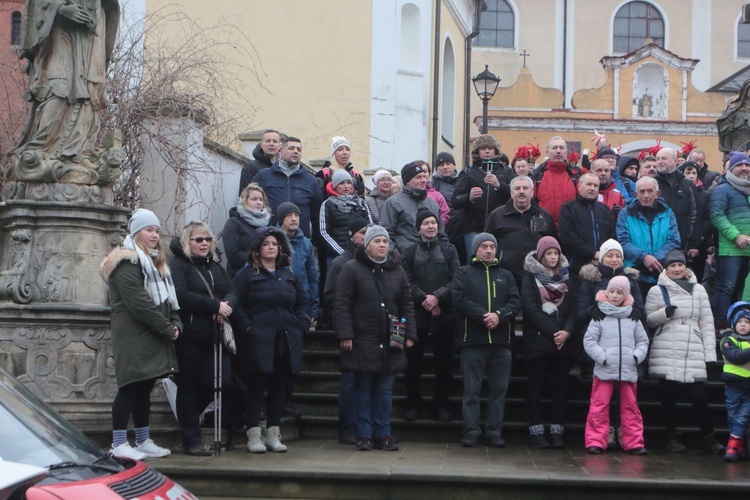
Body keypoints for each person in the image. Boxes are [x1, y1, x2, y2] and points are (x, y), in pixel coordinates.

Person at [100, 209, 181, 460]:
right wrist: (167, 329)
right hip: (134, 335)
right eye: (149, 230)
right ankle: (119, 443)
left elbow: (168, 300)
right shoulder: (126, 262)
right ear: (136, 233)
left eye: (157, 230)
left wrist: (176, 322)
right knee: (130, 386)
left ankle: (144, 439)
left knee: (145, 387)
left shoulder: (156, 263)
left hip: (151, 335)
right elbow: (139, 304)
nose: (154, 235)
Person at [14, 0, 120, 183]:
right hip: (59, 29)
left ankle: (80, 154)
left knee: (89, 93)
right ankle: (41, 152)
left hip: (90, 29)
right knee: (57, 89)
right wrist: (60, 9)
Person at [334, 226, 416, 452]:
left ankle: (384, 434)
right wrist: (345, 334)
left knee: (385, 390)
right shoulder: (351, 269)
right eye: (377, 241)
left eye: (385, 241)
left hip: (391, 340)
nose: (382, 245)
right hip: (362, 340)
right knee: (363, 389)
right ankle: (364, 435)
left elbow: (406, 303)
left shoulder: (397, 271)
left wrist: (409, 334)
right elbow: (341, 304)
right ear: (367, 245)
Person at [232, 227, 311, 453]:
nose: (270, 247)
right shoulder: (246, 274)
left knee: (279, 386)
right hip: (257, 340)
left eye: (275, 244)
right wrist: (248, 326)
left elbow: (303, 302)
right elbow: (234, 302)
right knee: (256, 387)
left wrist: (301, 324)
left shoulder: (289, 274)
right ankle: (253, 435)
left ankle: (273, 434)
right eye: (266, 243)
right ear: (258, 248)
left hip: (286, 339)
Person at [169, 221, 238, 456]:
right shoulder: (178, 265)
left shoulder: (216, 266)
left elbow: (232, 289)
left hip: (215, 335)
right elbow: (179, 295)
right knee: (188, 386)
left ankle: (191, 418)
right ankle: (191, 440)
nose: (204, 243)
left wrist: (226, 306)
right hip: (190, 335)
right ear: (187, 242)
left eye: (207, 239)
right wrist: (214, 305)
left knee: (220, 381)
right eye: (199, 239)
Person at [645, 249, 723, 454]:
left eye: (680, 265)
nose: (677, 269)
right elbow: (648, 320)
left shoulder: (699, 290)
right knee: (668, 397)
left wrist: (710, 355)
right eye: (673, 266)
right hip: (667, 347)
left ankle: (709, 437)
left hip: (693, 347)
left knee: (699, 397)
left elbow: (706, 322)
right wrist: (664, 314)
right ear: (667, 268)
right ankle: (672, 437)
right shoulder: (656, 290)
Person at [451, 233, 521, 448]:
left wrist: (499, 315)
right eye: (484, 247)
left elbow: (515, 301)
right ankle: (471, 430)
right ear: (475, 250)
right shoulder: (463, 273)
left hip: (501, 342)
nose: (489, 250)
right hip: (473, 341)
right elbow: (459, 299)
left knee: (499, 390)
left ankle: (493, 431)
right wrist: (484, 316)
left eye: (492, 246)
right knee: (471, 390)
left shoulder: (506, 275)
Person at [401, 208, 460, 423]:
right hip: (417, 315)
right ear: (418, 228)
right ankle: (413, 404)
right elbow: (406, 282)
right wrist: (425, 300)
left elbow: (456, 279)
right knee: (412, 364)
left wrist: (437, 298)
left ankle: (441, 405)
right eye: (425, 223)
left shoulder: (449, 250)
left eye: (433, 223)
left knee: (444, 364)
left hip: (444, 315)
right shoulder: (408, 252)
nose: (430, 226)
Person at [521, 236, 576, 449]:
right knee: (535, 387)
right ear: (541, 256)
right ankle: (536, 430)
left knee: (561, 388)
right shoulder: (530, 279)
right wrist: (555, 331)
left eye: (556, 253)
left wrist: (567, 332)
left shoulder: (568, 279)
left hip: (563, 343)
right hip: (538, 342)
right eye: (549, 254)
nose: (553, 257)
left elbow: (573, 309)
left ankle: (557, 430)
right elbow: (531, 309)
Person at [583, 276, 649, 455]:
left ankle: (634, 442)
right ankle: (596, 441)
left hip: (627, 369)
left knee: (630, 408)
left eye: (619, 293)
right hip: (605, 369)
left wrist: (636, 357)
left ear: (625, 295)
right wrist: (602, 357)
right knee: (599, 406)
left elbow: (643, 341)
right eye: (611, 291)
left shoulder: (633, 318)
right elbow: (589, 341)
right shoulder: (600, 316)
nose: (614, 296)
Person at [324, 214, 369, 445]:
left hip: (370, 333)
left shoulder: (373, 262)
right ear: (351, 236)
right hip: (350, 331)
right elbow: (331, 297)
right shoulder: (340, 263)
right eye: (362, 232)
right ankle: (347, 428)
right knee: (350, 382)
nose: (366, 236)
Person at [484, 175, 557, 285]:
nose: (521, 192)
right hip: (505, 276)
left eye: (525, 188)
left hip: (538, 277)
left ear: (532, 192)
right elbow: (486, 244)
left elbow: (554, 246)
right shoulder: (496, 215)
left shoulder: (544, 216)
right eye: (517, 188)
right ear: (511, 193)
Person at [616, 176, 681, 296]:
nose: (646, 195)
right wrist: (644, 257)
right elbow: (623, 241)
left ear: (657, 193)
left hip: (661, 272)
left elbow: (674, 241)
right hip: (634, 273)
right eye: (642, 191)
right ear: (636, 194)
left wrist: (654, 259)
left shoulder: (667, 213)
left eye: (650, 191)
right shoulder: (625, 214)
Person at [451, 134, 511, 258]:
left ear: (496, 150)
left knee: (498, 264)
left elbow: (515, 195)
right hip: (474, 228)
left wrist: (499, 185)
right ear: (478, 151)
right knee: (474, 262)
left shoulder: (506, 171)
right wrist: (469, 197)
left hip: (500, 227)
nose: (487, 151)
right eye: (483, 148)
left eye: (490, 148)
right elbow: (455, 201)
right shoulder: (468, 172)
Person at [710, 152, 750, 329]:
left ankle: (740, 325)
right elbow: (717, 216)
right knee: (725, 289)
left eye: (747, 165)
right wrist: (736, 236)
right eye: (739, 165)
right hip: (730, 250)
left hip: (748, 250)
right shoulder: (722, 189)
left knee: (742, 289)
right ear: (731, 168)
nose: (744, 169)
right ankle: (722, 325)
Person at [252, 137, 322, 238]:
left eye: (299, 149)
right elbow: (250, 206)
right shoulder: (264, 176)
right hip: (270, 239)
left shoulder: (310, 181)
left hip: (301, 240)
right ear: (281, 151)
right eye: (291, 148)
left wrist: (315, 242)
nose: (295, 152)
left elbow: (317, 215)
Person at [558, 172, 615, 277]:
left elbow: (612, 236)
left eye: (595, 186)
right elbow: (567, 237)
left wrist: (602, 255)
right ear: (579, 187)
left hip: (603, 266)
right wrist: (593, 254)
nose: (592, 188)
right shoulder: (568, 208)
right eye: (589, 184)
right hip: (576, 268)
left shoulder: (605, 210)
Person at [379, 161, 443, 254]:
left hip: (431, 259)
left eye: (424, 177)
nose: (423, 180)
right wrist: (396, 256)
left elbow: (441, 234)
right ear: (407, 181)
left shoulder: (433, 205)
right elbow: (385, 234)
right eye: (418, 177)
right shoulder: (392, 203)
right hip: (404, 259)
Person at [319, 169, 372, 264]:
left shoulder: (360, 202)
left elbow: (370, 227)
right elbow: (324, 233)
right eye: (342, 183)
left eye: (348, 182)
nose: (346, 186)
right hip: (337, 256)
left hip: (361, 254)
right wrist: (342, 254)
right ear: (335, 186)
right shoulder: (328, 204)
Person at [654, 148, 699, 256]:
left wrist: (692, 243)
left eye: (664, 158)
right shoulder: (652, 183)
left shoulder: (688, 185)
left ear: (675, 161)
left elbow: (695, 215)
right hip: (656, 242)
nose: (660, 161)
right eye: (658, 159)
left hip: (681, 243)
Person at [278, 202, 319, 321]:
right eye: (289, 215)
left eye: (297, 215)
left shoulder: (306, 244)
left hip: (301, 304)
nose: (294, 219)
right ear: (281, 219)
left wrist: (313, 310)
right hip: (279, 301)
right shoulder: (271, 240)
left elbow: (313, 278)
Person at [532, 136, 584, 226]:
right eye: (554, 148)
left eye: (561, 148)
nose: (558, 151)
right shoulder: (537, 175)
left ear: (566, 152)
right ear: (547, 152)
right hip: (544, 228)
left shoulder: (575, 175)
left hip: (569, 227)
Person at [721, 301, 750, 461]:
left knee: (743, 415)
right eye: (740, 322)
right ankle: (740, 445)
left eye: (747, 322)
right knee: (733, 416)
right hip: (733, 385)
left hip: (749, 387)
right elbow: (735, 357)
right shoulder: (728, 340)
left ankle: (732, 446)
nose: (743, 325)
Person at [223, 183, 271, 277]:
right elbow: (233, 254)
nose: (258, 202)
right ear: (244, 201)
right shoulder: (234, 223)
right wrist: (259, 261)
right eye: (254, 199)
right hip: (241, 276)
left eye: (261, 199)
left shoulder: (268, 224)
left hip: (265, 277)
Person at [432, 152, 466, 264]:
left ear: (454, 165)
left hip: (464, 227)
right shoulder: (433, 184)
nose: (445, 167)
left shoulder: (463, 180)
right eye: (441, 165)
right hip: (445, 228)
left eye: (448, 163)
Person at [239, 129, 281, 195]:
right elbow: (245, 196)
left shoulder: (284, 168)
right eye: (268, 141)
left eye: (275, 141)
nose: (271, 144)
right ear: (261, 145)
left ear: (280, 146)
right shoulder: (251, 168)